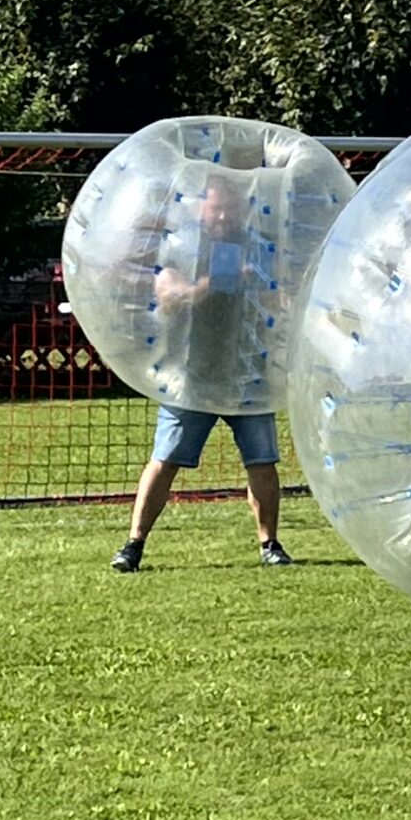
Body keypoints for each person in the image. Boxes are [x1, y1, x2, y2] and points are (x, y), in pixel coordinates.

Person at [112, 177, 291, 571]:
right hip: (190, 377)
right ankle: (132, 545)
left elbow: (278, 300)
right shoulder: (182, 247)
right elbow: (167, 297)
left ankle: (270, 545)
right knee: (165, 458)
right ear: (201, 207)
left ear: (243, 209)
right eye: (216, 207)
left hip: (246, 375)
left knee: (262, 461)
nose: (224, 215)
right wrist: (204, 289)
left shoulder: (260, 250)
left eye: (231, 207)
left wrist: (259, 287)